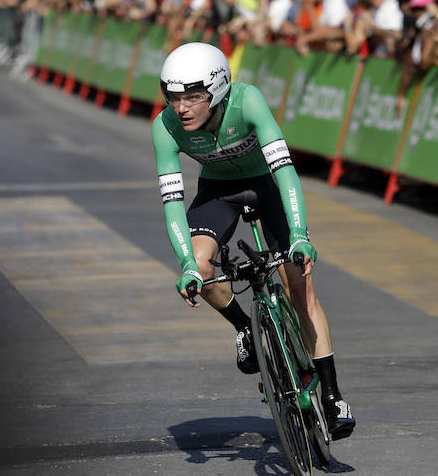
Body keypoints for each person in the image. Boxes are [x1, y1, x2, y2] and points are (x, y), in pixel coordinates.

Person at [152, 42, 356, 441]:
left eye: (193, 97)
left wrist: (299, 235)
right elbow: (173, 203)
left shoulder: (249, 103)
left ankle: (332, 396)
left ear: (219, 90)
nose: (182, 108)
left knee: (299, 286)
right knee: (201, 264)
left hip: (266, 185)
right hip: (218, 192)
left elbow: (285, 171)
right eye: (174, 97)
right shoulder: (165, 127)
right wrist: (188, 265)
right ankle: (246, 328)